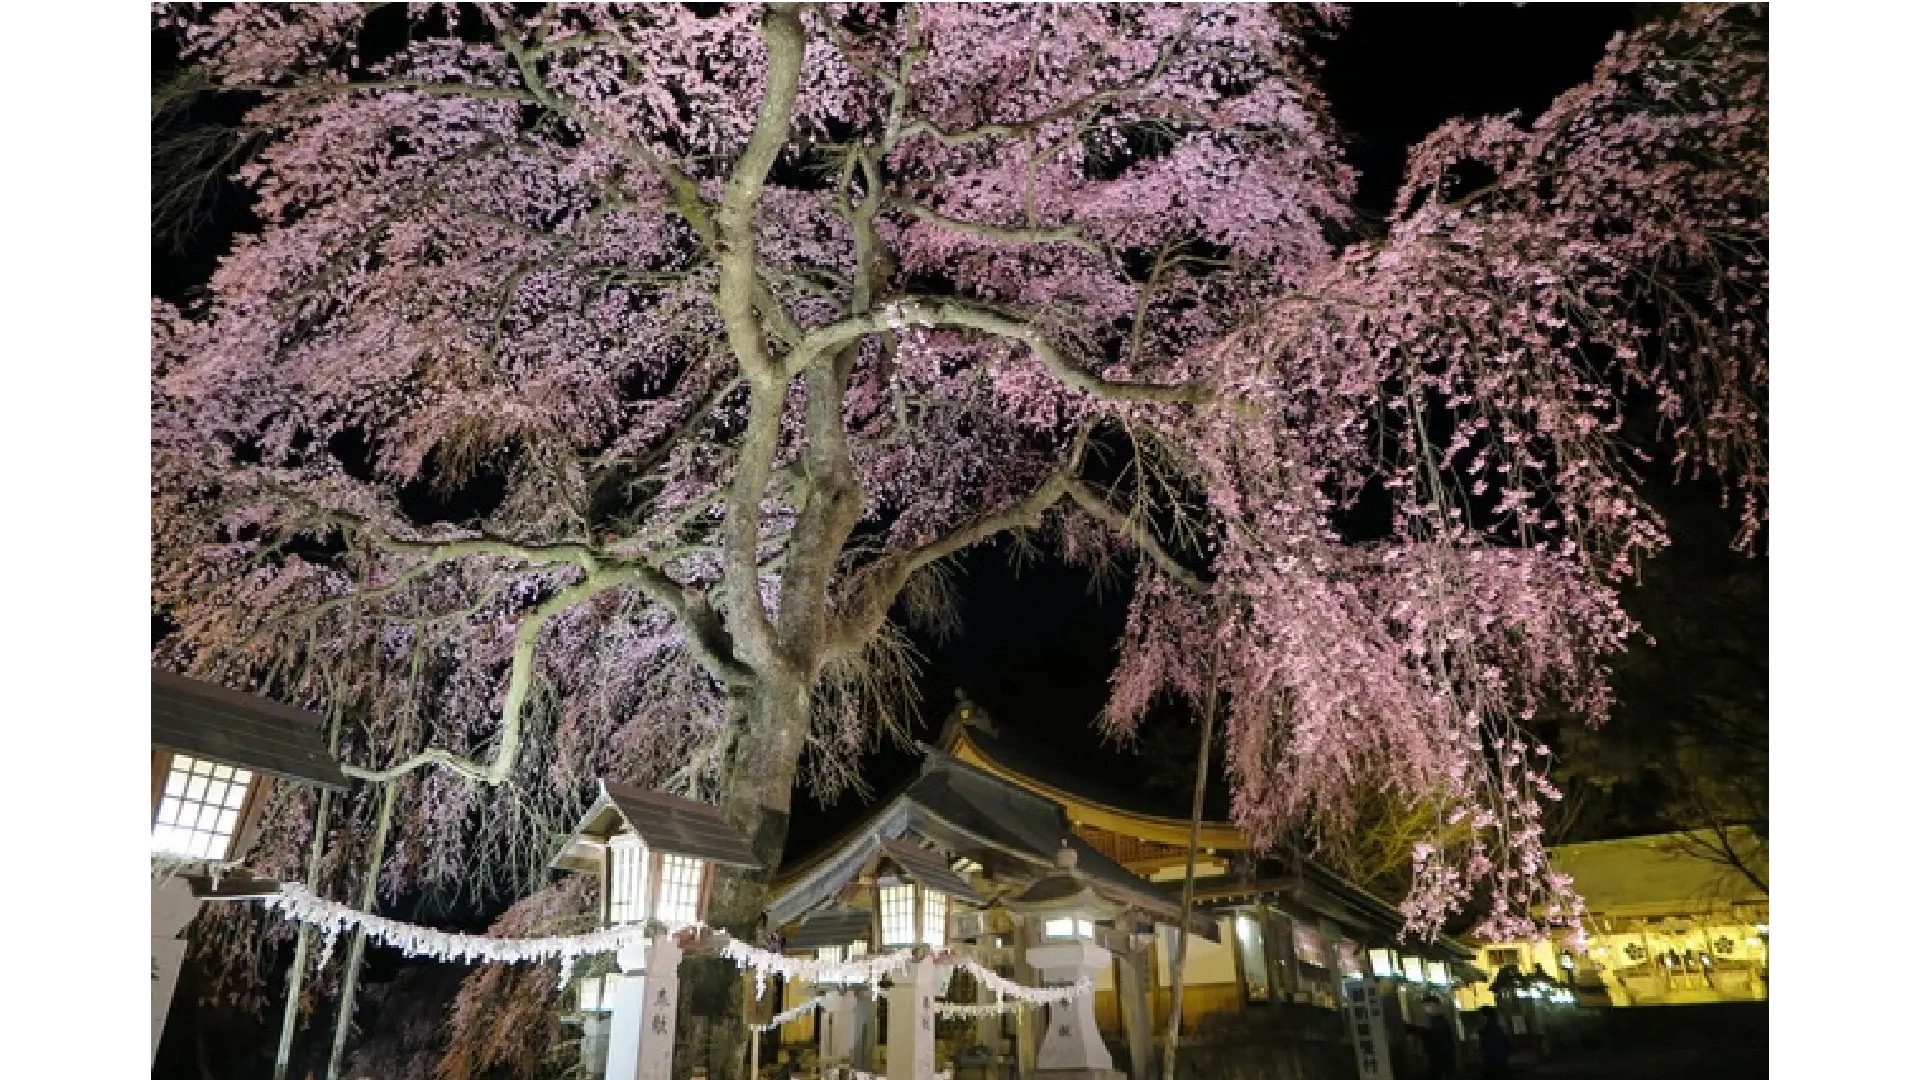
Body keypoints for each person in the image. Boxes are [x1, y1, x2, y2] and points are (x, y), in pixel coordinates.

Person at [1419, 995, 1458, 1078]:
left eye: (1427, 1006)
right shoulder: (1438, 1020)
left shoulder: (1439, 1022)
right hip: (1442, 1062)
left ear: (1434, 1005)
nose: (1425, 1009)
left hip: (1441, 1062)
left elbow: (1436, 1039)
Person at [1477, 1006, 1513, 1080]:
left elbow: (1490, 1051)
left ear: (1485, 1016)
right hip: (1500, 1067)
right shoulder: (1496, 1029)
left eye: (1480, 1015)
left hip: (1496, 1068)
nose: (1478, 1018)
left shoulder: (1489, 1031)